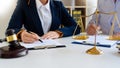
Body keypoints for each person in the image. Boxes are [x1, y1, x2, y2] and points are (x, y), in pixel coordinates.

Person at [7, 0, 80, 43]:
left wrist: (58, 33)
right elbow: (10, 30)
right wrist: (21, 34)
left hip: (55, 50)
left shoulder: (58, 5)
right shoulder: (23, 3)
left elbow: (75, 27)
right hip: (32, 52)